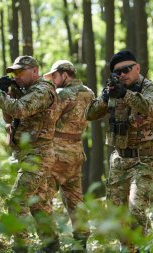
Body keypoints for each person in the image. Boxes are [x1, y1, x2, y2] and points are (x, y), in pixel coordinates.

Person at [0, 55, 60, 253]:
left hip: (39, 154)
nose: (17, 76)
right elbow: (10, 115)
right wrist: (5, 93)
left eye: (21, 71)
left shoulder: (42, 90)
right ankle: (52, 246)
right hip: (28, 154)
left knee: (16, 201)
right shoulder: (24, 90)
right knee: (39, 204)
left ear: (35, 71)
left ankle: (21, 247)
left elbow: (20, 109)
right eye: (14, 72)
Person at [86, 50, 153, 252]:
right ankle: (126, 248)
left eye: (127, 69)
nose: (123, 75)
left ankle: (138, 248)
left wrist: (126, 94)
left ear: (137, 68)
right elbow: (90, 113)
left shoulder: (149, 88)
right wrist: (106, 96)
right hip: (120, 160)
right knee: (116, 212)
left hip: (144, 159)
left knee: (136, 208)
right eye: (118, 72)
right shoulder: (114, 90)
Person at [43, 60, 94, 252]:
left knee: (42, 198)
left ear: (65, 75)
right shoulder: (89, 93)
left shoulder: (63, 94)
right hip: (76, 152)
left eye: (55, 76)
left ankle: (50, 244)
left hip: (58, 153)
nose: (53, 81)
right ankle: (80, 243)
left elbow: (48, 118)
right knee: (75, 199)